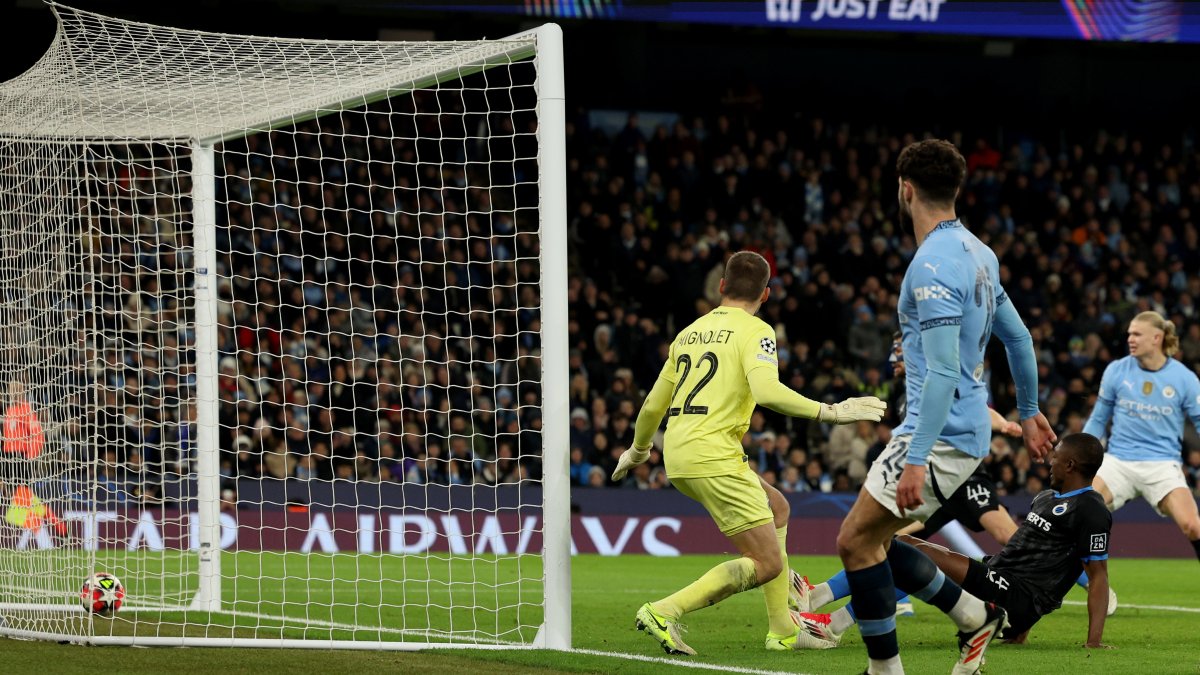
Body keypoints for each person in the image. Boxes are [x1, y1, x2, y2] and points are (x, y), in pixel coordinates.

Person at [831, 139, 1056, 675]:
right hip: (963, 430)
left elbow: (944, 374)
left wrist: (916, 457)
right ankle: (974, 615)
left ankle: (887, 667)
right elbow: (1019, 339)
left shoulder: (930, 266)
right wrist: (1028, 410)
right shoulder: (981, 253)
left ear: (905, 190)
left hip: (940, 432)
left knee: (855, 542)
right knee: (877, 539)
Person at [612, 250, 886, 656]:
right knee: (768, 564)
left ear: (721, 286)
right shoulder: (756, 331)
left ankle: (783, 629)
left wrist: (638, 450)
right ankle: (664, 611)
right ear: (767, 294)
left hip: (682, 451)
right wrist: (830, 412)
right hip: (713, 454)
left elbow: (653, 404)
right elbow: (768, 392)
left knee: (777, 508)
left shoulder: (688, 332)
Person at [798, 433, 1113, 649]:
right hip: (998, 580)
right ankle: (829, 617)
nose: (1049, 462)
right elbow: (1036, 562)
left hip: (1011, 596)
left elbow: (1096, 576)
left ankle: (829, 617)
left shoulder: (1091, 510)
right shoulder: (1045, 497)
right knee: (908, 557)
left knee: (902, 548)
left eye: (1055, 458)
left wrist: (1092, 641)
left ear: (1070, 465)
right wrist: (1021, 633)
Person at [1083, 310, 1200, 564]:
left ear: (1157, 338)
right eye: (1129, 334)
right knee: (1079, 513)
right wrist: (1080, 455)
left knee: (1193, 526)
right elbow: (1099, 419)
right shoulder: (1117, 370)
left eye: (1137, 334)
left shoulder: (1184, 379)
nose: (1130, 339)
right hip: (1118, 461)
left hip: (1161, 465)